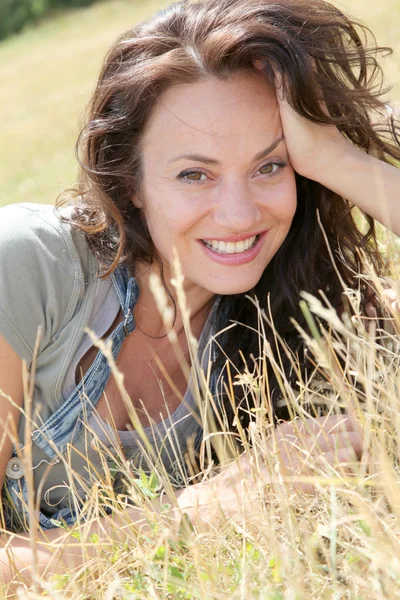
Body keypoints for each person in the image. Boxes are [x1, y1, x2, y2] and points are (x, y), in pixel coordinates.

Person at [0, 0, 399, 586]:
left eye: (271, 166)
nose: (239, 215)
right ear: (129, 179)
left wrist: (337, 158)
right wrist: (209, 508)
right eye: (195, 174)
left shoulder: (303, 309)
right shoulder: (30, 265)